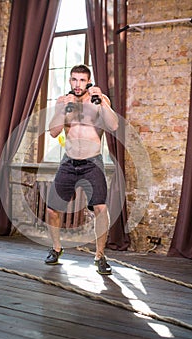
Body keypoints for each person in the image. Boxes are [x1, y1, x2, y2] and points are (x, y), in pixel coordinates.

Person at [45, 64, 119, 275]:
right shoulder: (63, 102)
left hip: (92, 162)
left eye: (82, 80)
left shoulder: (99, 101)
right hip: (69, 162)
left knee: (101, 209)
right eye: (74, 80)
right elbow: (53, 132)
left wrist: (102, 101)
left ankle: (100, 255)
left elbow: (113, 126)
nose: (78, 84)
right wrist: (61, 110)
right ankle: (56, 248)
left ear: (89, 81)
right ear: (70, 81)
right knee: (52, 209)